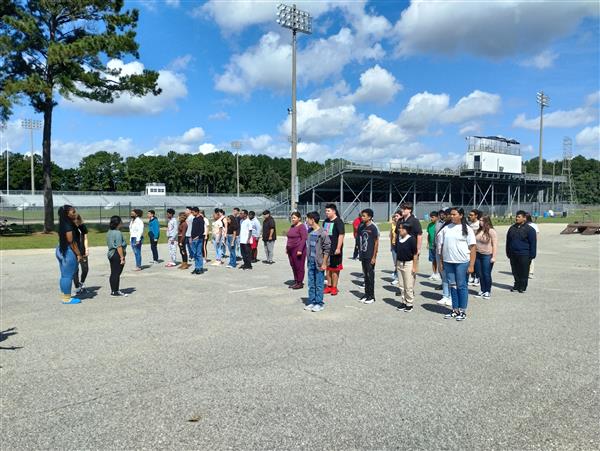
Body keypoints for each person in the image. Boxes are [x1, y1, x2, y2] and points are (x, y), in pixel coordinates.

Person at [438, 207, 476, 321]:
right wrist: (441, 262)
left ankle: (462, 310)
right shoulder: (446, 228)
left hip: (462, 262)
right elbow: (441, 246)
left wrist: (471, 265)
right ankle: (455, 309)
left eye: (454, 214)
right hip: (448, 262)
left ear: (461, 215)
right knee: (452, 286)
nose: (452, 216)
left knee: (462, 286)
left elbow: (473, 248)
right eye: (451, 214)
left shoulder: (467, 229)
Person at [303, 211, 331, 312]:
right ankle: (312, 301)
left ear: (312, 220)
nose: (306, 221)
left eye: (307, 219)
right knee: (311, 283)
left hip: (319, 263)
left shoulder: (322, 233)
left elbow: (327, 249)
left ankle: (319, 303)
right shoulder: (310, 231)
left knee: (319, 283)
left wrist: (324, 263)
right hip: (310, 261)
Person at [56, 205, 82, 304]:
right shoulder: (68, 225)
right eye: (73, 212)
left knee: (64, 275)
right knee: (68, 276)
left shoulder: (63, 223)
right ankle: (67, 298)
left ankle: (64, 295)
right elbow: (71, 241)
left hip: (61, 249)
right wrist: (78, 254)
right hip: (68, 250)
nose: (75, 213)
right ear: (66, 214)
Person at [506, 210, 537, 293]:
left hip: (524, 254)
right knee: (515, 270)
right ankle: (516, 284)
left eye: (519, 217)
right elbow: (508, 241)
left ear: (524, 218)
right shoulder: (512, 228)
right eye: (516, 216)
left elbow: (533, 243)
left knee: (523, 271)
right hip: (513, 253)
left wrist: (532, 255)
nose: (516, 218)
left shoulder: (530, 230)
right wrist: (508, 252)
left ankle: (522, 286)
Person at [357, 208, 379, 304]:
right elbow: (360, 240)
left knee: (370, 276)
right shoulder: (361, 226)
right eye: (361, 216)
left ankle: (371, 296)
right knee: (365, 276)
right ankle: (366, 294)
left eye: (364, 216)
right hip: (363, 254)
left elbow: (376, 243)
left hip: (370, 255)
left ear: (369, 217)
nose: (362, 217)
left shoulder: (373, 228)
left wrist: (374, 257)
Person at [322, 203, 345, 296]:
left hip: (335, 249)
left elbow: (341, 235)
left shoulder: (338, 221)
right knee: (327, 268)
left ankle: (334, 287)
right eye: (326, 211)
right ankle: (329, 286)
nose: (326, 213)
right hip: (326, 249)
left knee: (335, 269)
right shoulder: (326, 221)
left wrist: (338, 248)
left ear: (334, 211)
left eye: (328, 211)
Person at [395, 223, 418, 312]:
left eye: (401, 228)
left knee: (408, 286)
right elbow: (397, 251)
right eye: (399, 228)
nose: (399, 230)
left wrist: (414, 267)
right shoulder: (399, 238)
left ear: (406, 230)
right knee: (401, 285)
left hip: (408, 264)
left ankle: (409, 303)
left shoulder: (411, 239)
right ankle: (403, 302)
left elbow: (415, 254)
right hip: (399, 263)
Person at [474, 215, 498, 300]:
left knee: (486, 274)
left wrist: (493, 257)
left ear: (487, 221)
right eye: (480, 220)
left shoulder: (491, 231)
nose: (480, 222)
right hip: (477, 254)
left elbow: (494, 245)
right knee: (480, 274)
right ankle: (482, 289)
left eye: (482, 220)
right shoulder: (478, 230)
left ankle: (487, 291)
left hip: (487, 255)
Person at [106, 215, 128, 297]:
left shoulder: (109, 232)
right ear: (118, 223)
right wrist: (122, 258)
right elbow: (119, 246)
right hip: (116, 254)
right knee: (116, 273)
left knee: (113, 273)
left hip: (111, 254)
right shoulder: (118, 233)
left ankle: (114, 290)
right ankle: (115, 291)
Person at [286, 211, 308, 289]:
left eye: (294, 218)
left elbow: (304, 238)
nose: (293, 219)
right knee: (293, 265)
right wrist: (286, 248)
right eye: (292, 218)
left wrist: (300, 250)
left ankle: (300, 282)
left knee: (299, 266)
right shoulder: (292, 226)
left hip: (298, 249)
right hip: (290, 249)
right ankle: (296, 280)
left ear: (299, 218)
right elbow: (289, 237)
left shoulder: (302, 227)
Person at [435, 209, 452, 306]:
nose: (447, 216)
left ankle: (451, 296)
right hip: (440, 253)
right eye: (447, 214)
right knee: (444, 275)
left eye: (448, 214)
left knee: (451, 277)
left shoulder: (457, 227)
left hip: (449, 254)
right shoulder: (443, 225)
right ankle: (445, 295)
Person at [73, 214, 89, 294]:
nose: (76, 221)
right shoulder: (71, 229)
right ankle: (77, 286)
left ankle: (81, 283)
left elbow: (85, 238)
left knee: (85, 268)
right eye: (74, 219)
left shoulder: (82, 227)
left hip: (82, 251)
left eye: (77, 219)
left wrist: (87, 249)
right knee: (75, 270)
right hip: (74, 253)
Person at [467, 209, 482, 286]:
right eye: (469, 215)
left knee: (477, 263)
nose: (470, 216)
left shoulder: (479, 223)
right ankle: (472, 276)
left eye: (471, 215)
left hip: (478, 246)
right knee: (471, 261)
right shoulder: (469, 224)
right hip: (470, 246)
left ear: (476, 215)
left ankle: (478, 277)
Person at [190, 207, 205, 275]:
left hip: (198, 239)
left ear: (197, 212)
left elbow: (202, 230)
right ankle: (196, 268)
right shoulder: (194, 219)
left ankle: (200, 268)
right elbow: (193, 229)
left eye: (193, 212)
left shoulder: (201, 219)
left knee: (198, 254)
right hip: (193, 239)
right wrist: (191, 237)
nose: (192, 213)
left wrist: (197, 237)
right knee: (195, 254)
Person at [426, 211, 439, 281]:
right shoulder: (429, 225)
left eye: (432, 217)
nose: (431, 218)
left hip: (437, 246)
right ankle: (434, 273)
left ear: (437, 217)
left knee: (438, 260)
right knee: (433, 260)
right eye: (430, 217)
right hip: (431, 245)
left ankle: (439, 274)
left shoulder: (439, 225)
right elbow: (428, 235)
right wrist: (428, 243)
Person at [526, 213, 539, 279]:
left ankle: (530, 272)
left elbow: (536, 235)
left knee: (531, 258)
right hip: (524, 244)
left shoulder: (534, 225)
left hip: (531, 243)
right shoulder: (522, 225)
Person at [389, 211, 401, 286]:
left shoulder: (402, 224)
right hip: (394, 245)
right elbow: (391, 235)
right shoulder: (393, 225)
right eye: (395, 216)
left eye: (397, 216)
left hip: (400, 246)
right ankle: (397, 277)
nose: (396, 217)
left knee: (399, 263)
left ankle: (398, 278)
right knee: (395, 263)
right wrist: (391, 245)